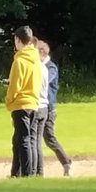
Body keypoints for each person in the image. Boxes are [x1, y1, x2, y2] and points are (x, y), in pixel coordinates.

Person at [5, 26, 43, 177]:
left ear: (18, 40)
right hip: (33, 102)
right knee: (24, 139)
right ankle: (18, 172)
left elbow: (15, 86)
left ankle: (26, 173)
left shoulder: (20, 60)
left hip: (21, 103)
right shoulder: (36, 60)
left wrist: (8, 100)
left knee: (23, 140)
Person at [37, 40, 73, 177]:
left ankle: (66, 161)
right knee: (39, 138)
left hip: (49, 108)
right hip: (42, 107)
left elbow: (43, 81)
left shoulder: (50, 67)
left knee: (49, 138)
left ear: (42, 52)